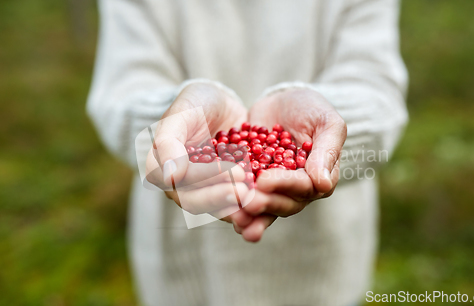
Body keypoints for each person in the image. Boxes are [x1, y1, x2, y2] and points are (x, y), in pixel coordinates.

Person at [87, 0, 408, 305]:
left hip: (320, 273)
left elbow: (377, 94)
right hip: (185, 275)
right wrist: (170, 125)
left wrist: (329, 131)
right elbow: (121, 93)